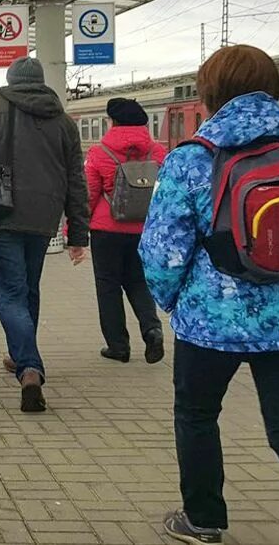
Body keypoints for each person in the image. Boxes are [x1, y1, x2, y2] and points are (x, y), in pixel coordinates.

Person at [139, 45, 279, 544]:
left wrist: (170, 301)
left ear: (208, 93)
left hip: (210, 322)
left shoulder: (193, 159)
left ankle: (204, 519)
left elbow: (163, 253)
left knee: (197, 414)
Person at [0, 56, 89, 413]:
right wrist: (78, 233)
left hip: (2, 213)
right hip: (44, 217)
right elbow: (77, 180)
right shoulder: (62, 121)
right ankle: (20, 354)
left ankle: (29, 367)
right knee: (29, 286)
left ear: (11, 80)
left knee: (9, 292)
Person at [84, 97, 166, 365]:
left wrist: (75, 228)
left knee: (108, 286)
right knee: (139, 282)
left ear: (113, 122)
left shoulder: (99, 153)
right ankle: (152, 329)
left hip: (106, 230)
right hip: (144, 229)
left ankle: (118, 346)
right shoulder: (158, 153)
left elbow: (90, 195)